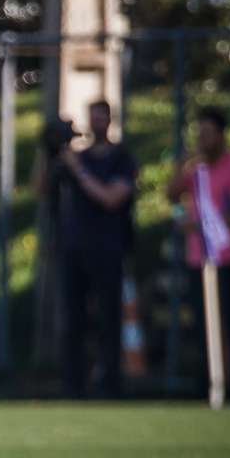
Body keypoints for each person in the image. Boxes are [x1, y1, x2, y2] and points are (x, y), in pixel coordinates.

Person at [42, 100, 137, 398]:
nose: (96, 123)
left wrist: (78, 170)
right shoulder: (75, 158)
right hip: (73, 250)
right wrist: (46, 152)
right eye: (92, 117)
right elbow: (40, 189)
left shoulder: (121, 158)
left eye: (102, 117)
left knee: (108, 319)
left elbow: (110, 198)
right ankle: (74, 386)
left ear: (110, 120)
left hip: (108, 248)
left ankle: (110, 384)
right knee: (73, 320)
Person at [166, 107, 230, 398]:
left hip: (227, 258)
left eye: (207, 133)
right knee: (201, 324)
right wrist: (181, 165)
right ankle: (204, 384)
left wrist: (202, 224)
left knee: (228, 322)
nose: (202, 140)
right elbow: (171, 194)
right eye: (199, 134)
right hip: (198, 258)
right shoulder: (197, 172)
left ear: (221, 135)